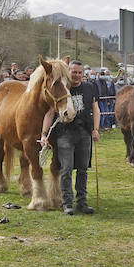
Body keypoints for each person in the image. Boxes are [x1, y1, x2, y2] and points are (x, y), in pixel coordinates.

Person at [40, 60, 100, 216]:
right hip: (65, 133)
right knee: (66, 169)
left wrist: (96, 129)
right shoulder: (62, 87)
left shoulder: (89, 88)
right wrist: (44, 134)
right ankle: (67, 203)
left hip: (84, 133)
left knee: (83, 169)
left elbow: (95, 109)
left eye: (80, 72)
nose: (77, 75)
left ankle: (82, 202)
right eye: (74, 72)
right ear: (69, 72)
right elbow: (50, 112)